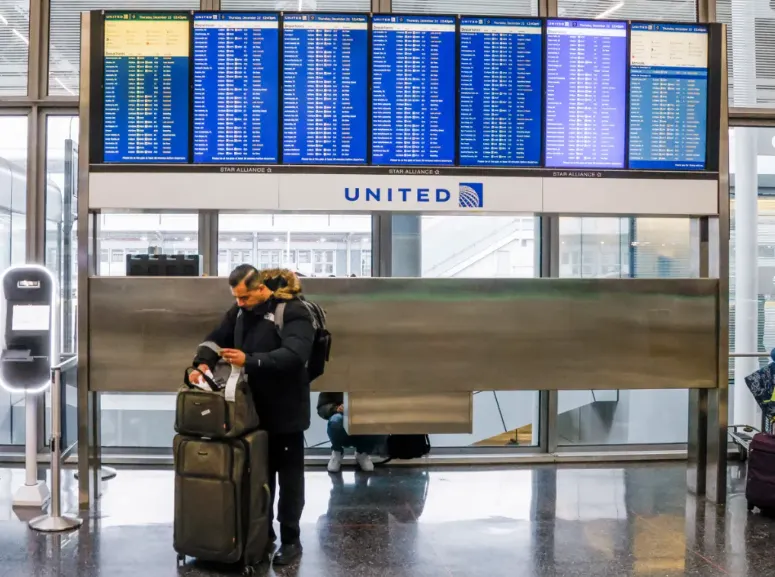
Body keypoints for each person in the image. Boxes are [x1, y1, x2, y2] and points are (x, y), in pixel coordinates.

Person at [191, 265, 314, 566]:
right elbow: (216, 337)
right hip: (250, 414)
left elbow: (295, 356)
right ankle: (263, 533)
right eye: (236, 298)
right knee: (258, 476)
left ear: (261, 289)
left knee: (289, 480)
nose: (239, 304)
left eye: (244, 297)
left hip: (286, 413)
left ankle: (291, 539)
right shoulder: (240, 311)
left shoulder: (295, 311)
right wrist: (201, 362)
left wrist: (251, 360)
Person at [317, 392, 380, 473]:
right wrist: (336, 408)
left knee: (379, 424)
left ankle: (362, 453)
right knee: (335, 421)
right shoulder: (332, 381)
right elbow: (322, 407)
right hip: (341, 415)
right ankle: (337, 452)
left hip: (364, 414)